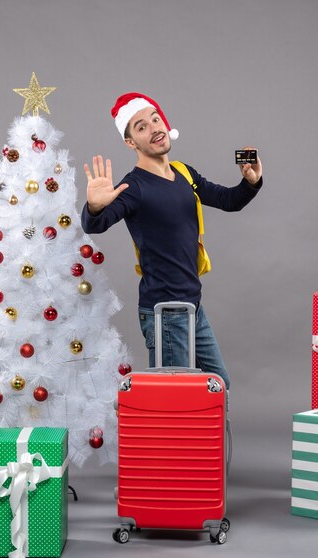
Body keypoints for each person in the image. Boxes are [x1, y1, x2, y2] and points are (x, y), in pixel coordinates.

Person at [81, 92, 263, 390]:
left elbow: (228, 200)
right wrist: (95, 206)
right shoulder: (133, 187)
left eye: (155, 119)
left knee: (220, 387)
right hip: (164, 314)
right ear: (131, 142)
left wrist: (251, 182)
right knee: (175, 399)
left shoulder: (184, 173)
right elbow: (96, 224)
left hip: (193, 305)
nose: (153, 128)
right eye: (141, 127)